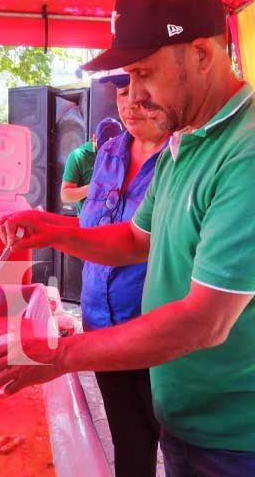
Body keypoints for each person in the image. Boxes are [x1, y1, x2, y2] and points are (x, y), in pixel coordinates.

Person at [0, 0, 255, 476]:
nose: (135, 97)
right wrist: (54, 229)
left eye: (145, 74)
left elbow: (205, 321)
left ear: (203, 54)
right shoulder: (185, 143)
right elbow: (135, 239)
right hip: (189, 417)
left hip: (250, 435)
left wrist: (61, 356)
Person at [79, 69, 169, 477]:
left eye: (139, 89)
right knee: (128, 443)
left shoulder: (183, 158)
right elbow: (90, 230)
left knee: (177, 441)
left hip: (156, 330)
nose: (130, 102)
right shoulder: (109, 151)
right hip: (99, 323)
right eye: (120, 91)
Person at [60, 117, 123, 215]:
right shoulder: (79, 156)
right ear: (94, 138)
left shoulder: (123, 153)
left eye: (113, 148)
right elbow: (66, 195)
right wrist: (95, 187)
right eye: (103, 148)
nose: (107, 153)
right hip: (89, 223)